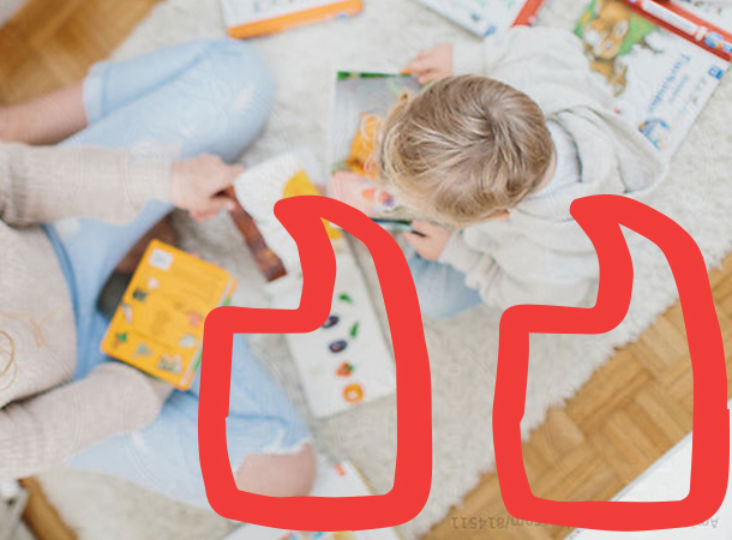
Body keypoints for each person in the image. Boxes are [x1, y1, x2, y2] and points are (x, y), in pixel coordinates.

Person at [0, 39, 315, 506]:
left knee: (238, 78)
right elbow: (43, 432)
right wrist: (158, 358)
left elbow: (19, 182)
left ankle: (12, 126)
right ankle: (143, 265)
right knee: (283, 478)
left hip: (50, 231)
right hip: (70, 385)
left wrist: (164, 179)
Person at [366, 27, 666, 319]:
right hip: (499, 204)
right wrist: (466, 58)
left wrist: (455, 251)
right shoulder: (532, 70)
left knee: (428, 296)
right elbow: (549, 40)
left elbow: (520, 297)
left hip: (528, 250)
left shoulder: (548, 268)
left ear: (495, 217)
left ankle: (433, 235)